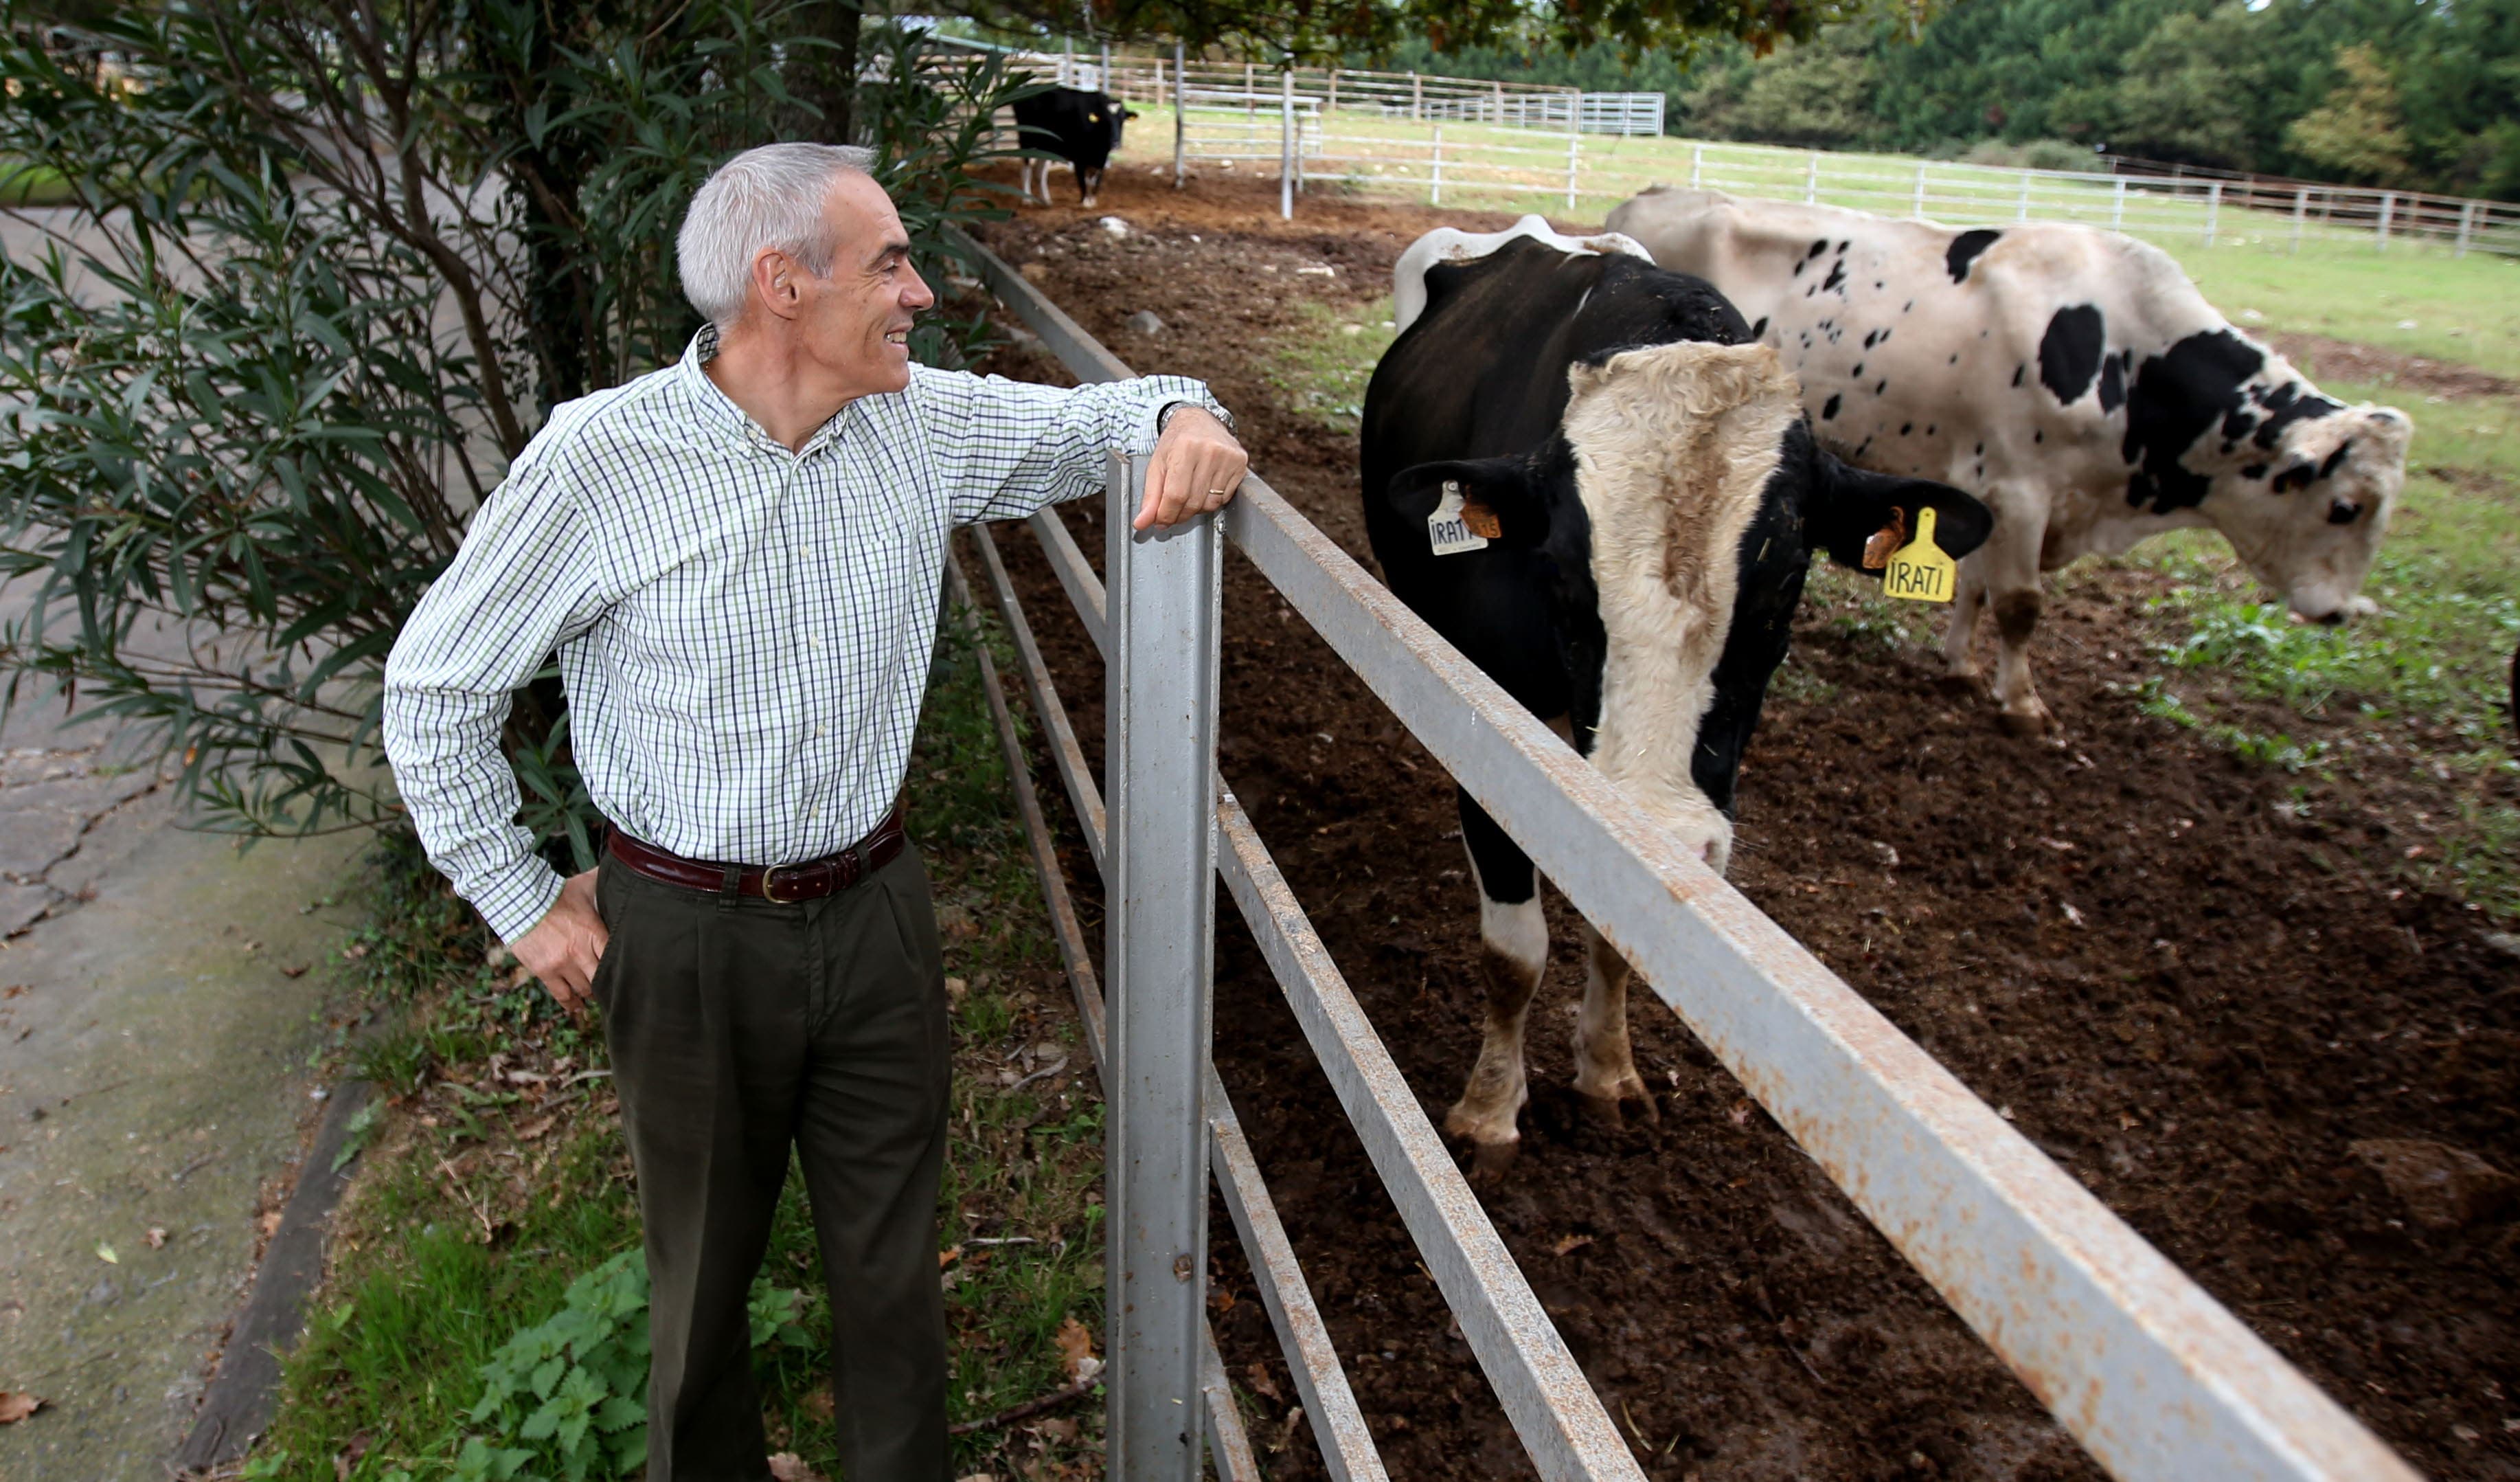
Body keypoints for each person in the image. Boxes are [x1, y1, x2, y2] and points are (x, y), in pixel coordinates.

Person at [381, 142, 1248, 1481]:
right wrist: (518, 899)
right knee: (701, 1283)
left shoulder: (918, 424)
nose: (917, 292)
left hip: (876, 918)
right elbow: (435, 687)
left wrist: (1183, 417)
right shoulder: (601, 459)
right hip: (680, 930)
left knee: (893, 1279)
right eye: (889, 263)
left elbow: (1102, 422)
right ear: (780, 284)